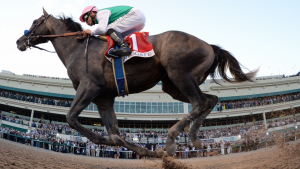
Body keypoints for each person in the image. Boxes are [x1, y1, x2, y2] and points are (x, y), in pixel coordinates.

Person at [79, 5, 146, 57]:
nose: (86, 22)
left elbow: (102, 29)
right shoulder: (102, 18)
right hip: (139, 21)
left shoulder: (100, 13)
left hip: (135, 14)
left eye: (85, 18)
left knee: (108, 29)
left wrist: (91, 32)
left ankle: (124, 47)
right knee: (114, 34)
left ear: (92, 13)